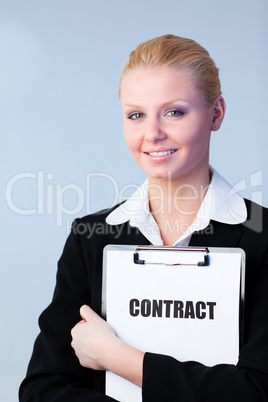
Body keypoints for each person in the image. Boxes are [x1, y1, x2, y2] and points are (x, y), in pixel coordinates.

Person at [19, 34, 268, 401]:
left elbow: (258, 390)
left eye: (174, 112)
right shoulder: (91, 237)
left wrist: (118, 358)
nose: (152, 133)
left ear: (216, 113)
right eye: (136, 115)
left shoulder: (261, 238)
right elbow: (43, 389)